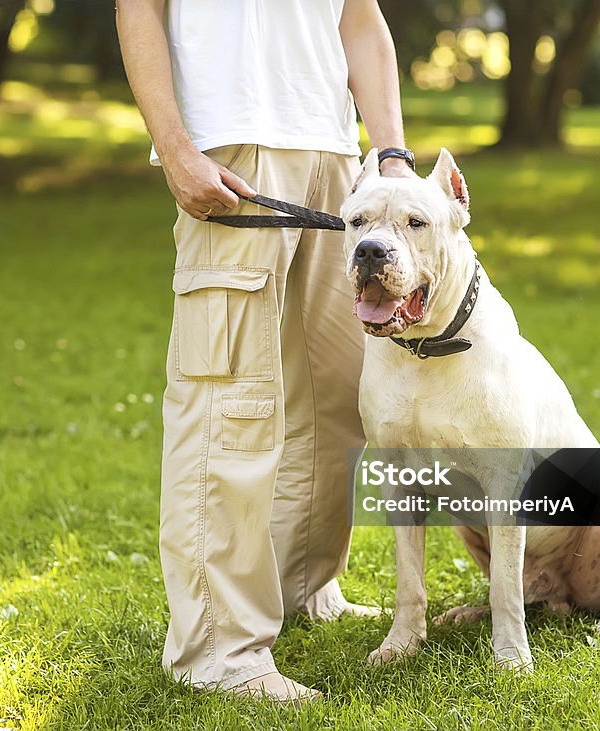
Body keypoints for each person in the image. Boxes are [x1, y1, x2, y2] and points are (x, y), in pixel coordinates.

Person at [116, 0, 414, 702]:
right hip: (234, 150)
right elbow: (138, 9)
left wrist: (391, 154)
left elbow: (360, 19)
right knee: (230, 404)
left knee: (338, 391)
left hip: (335, 153)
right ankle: (217, 650)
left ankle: (301, 585)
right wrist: (177, 147)